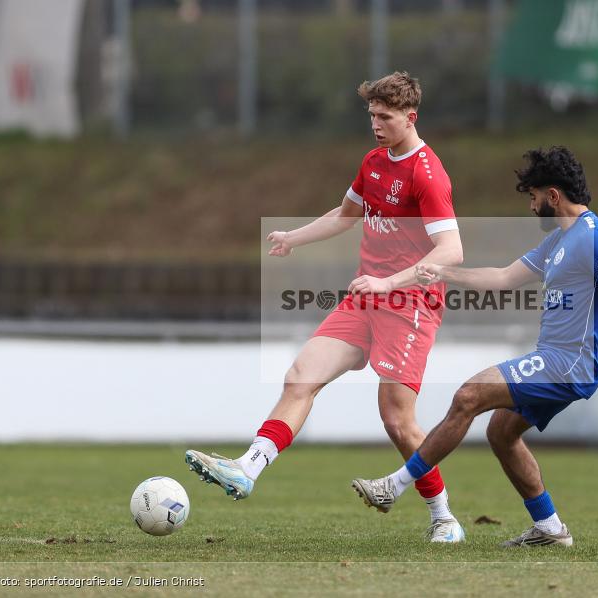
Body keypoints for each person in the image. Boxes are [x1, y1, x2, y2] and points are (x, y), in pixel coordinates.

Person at [186, 72, 468, 543]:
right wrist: (293, 238)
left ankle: (443, 516)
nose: (376, 125)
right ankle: (248, 469)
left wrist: (388, 282)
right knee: (301, 374)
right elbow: (345, 214)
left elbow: (451, 250)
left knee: (397, 418)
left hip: (408, 302)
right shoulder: (374, 162)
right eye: (372, 116)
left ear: (410, 117)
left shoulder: (427, 173)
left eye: (385, 117)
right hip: (366, 298)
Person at [352, 146, 598, 547]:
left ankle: (394, 487)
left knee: (468, 395)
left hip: (569, 364)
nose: (532, 205)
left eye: (534, 196)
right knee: (502, 432)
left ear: (553, 195)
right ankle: (550, 528)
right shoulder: (559, 241)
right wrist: (443, 272)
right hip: (552, 359)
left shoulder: (597, 236)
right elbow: (504, 278)